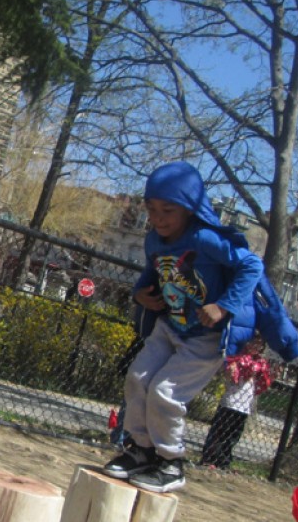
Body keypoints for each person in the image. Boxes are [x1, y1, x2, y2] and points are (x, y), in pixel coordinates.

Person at [102, 161, 266, 493]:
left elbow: (252, 265)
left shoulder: (205, 239)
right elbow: (152, 274)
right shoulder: (153, 241)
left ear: (190, 209)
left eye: (168, 209)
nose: (158, 217)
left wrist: (222, 306)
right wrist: (140, 295)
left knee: (165, 391)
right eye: (151, 208)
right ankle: (141, 450)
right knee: (138, 379)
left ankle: (171, 463)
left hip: (204, 338)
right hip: (168, 325)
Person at [199, 335, 277, 469]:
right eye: (253, 342)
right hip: (230, 402)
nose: (256, 346)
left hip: (244, 406)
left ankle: (223, 461)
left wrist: (271, 376)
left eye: (259, 344)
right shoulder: (238, 358)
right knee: (220, 431)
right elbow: (229, 374)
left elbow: (263, 383)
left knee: (233, 435)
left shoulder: (260, 363)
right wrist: (232, 369)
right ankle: (209, 458)